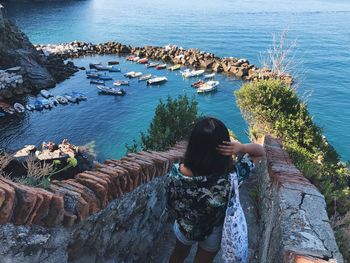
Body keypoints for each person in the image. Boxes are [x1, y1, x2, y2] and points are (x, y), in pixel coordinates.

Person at [167, 117, 265, 263]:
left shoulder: (177, 171)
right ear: (224, 147)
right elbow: (259, 152)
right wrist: (241, 147)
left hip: (185, 226)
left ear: (193, 145)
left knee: (178, 254)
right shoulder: (231, 178)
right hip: (212, 231)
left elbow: (171, 201)